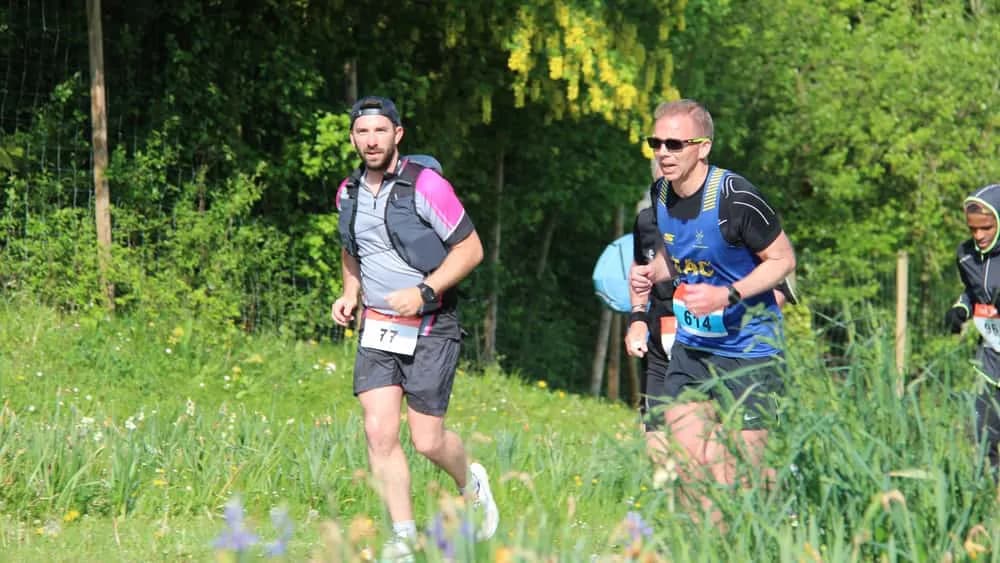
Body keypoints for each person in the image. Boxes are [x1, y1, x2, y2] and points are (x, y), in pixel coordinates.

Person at [331, 95, 499, 561]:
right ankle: (403, 536)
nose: (371, 140)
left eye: (380, 131)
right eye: (362, 132)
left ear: (397, 135)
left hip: (431, 325)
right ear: (353, 138)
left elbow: (471, 250)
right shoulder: (347, 192)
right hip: (379, 328)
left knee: (427, 439)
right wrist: (350, 293)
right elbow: (353, 248)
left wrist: (425, 291)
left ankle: (473, 483)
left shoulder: (426, 187)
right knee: (378, 433)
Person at [627, 99, 796, 525]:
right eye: (656, 143)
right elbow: (679, 253)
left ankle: (783, 508)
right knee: (687, 471)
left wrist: (729, 295)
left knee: (739, 477)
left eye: (674, 144)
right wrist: (652, 273)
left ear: (702, 147)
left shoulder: (736, 199)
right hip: (693, 349)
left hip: (750, 352)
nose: (663, 152)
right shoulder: (659, 194)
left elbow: (782, 261)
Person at [946, 183, 1000, 470]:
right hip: (991, 363)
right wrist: (961, 309)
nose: (978, 236)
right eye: (973, 229)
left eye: (986, 228)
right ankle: (991, 503)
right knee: (981, 438)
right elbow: (972, 290)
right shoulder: (966, 256)